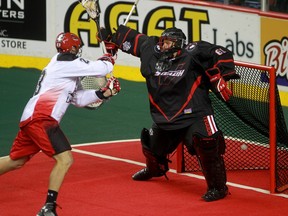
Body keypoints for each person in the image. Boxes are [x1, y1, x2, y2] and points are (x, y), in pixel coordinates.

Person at [99, 25, 240, 201]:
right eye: (162, 42)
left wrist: (222, 75)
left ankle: (218, 188)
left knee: (207, 143)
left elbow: (221, 52)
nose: (163, 46)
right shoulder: (151, 50)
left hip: (195, 113)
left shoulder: (193, 51)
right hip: (165, 116)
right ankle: (154, 170)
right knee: (151, 146)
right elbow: (130, 39)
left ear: (179, 44)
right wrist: (111, 39)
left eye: (168, 43)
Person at [0, 32, 121, 215]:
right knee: (65, 160)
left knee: (16, 161)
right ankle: (48, 208)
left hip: (33, 118)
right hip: (42, 118)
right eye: (77, 47)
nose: (79, 50)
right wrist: (110, 54)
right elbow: (102, 68)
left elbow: (79, 99)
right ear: (72, 49)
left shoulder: (65, 67)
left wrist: (103, 93)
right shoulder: (68, 64)